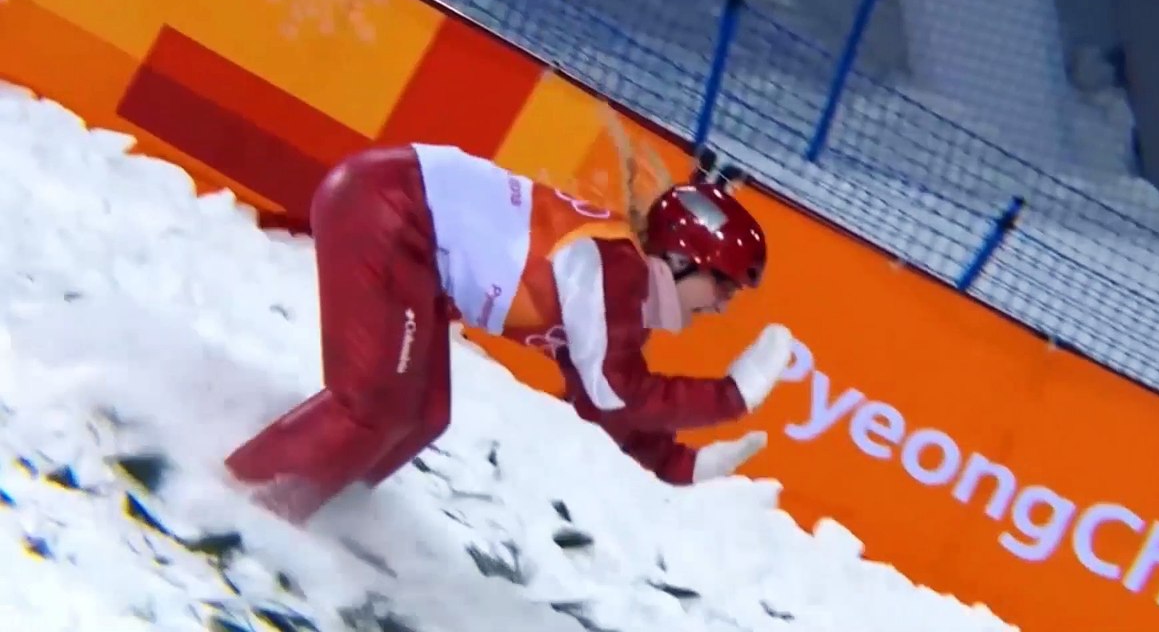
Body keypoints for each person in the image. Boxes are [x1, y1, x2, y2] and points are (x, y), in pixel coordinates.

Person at [222, 142, 796, 524]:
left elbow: (601, 404)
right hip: (388, 209)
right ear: (679, 260)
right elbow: (616, 392)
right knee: (376, 405)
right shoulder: (612, 271)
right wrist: (732, 396)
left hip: (399, 217)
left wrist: (680, 465)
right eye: (723, 286)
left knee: (422, 414)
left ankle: (304, 507)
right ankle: (239, 500)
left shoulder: (619, 295)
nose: (721, 307)